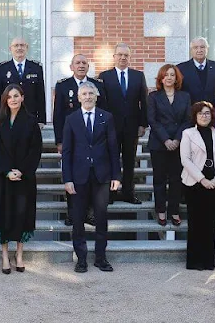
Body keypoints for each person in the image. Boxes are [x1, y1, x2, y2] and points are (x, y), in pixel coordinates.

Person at [61, 82, 120, 273]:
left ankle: (101, 258)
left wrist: (116, 176)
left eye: (90, 93)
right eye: (84, 94)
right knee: (78, 220)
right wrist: (67, 179)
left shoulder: (107, 117)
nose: (87, 97)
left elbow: (113, 148)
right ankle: (81, 259)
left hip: (102, 176)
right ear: (78, 98)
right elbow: (67, 152)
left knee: (101, 218)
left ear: (96, 96)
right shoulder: (71, 119)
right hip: (78, 177)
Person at [0, 84, 43, 274]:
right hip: (4, 177)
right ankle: (5, 256)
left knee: (23, 215)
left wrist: (22, 171)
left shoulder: (31, 121)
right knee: (4, 216)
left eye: (16, 96)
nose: (12, 99)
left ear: (22, 97)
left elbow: (35, 150)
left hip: (24, 177)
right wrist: (7, 171)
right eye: (9, 97)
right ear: (5, 99)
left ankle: (19, 255)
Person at [53, 54, 106, 226]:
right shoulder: (63, 86)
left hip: (93, 140)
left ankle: (89, 212)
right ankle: (72, 213)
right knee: (72, 176)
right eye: (78, 63)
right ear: (71, 67)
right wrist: (59, 141)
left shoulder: (97, 85)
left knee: (90, 177)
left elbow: (103, 111)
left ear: (88, 67)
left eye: (84, 63)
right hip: (72, 141)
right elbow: (58, 115)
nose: (81, 65)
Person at [97, 42, 148, 204]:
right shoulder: (104, 76)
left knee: (129, 160)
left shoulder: (138, 76)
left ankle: (128, 192)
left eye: (126, 55)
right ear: (114, 57)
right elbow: (101, 104)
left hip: (132, 127)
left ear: (130, 57)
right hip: (110, 127)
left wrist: (143, 124)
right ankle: (111, 193)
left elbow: (144, 102)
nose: (123, 58)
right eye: (119, 54)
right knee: (111, 160)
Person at [180, 101, 215, 271]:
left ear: (211, 115)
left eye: (207, 113)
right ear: (195, 116)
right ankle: (194, 261)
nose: (204, 116)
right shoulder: (188, 134)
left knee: (210, 223)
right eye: (201, 113)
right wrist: (202, 180)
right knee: (195, 223)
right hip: (194, 182)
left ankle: (208, 261)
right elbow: (185, 160)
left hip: (214, 183)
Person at [147, 64, 191, 226]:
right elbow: (152, 120)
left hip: (179, 143)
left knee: (176, 179)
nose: (169, 78)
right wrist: (166, 139)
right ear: (161, 78)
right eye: (166, 75)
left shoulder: (185, 96)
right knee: (159, 179)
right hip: (159, 143)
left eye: (172, 75)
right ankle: (160, 210)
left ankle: (174, 211)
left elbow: (188, 120)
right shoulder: (153, 96)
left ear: (177, 78)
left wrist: (177, 140)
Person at [0, 37, 46, 126]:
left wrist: (41, 119)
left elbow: (40, 95)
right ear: (10, 49)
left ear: (27, 48)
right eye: (16, 45)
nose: (19, 48)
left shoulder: (36, 68)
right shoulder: (2, 69)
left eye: (22, 45)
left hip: (30, 116)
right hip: (8, 116)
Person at [177, 37, 215, 106]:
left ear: (207, 49)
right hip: (189, 112)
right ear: (191, 50)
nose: (199, 50)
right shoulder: (180, 68)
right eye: (196, 47)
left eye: (202, 47)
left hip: (212, 112)